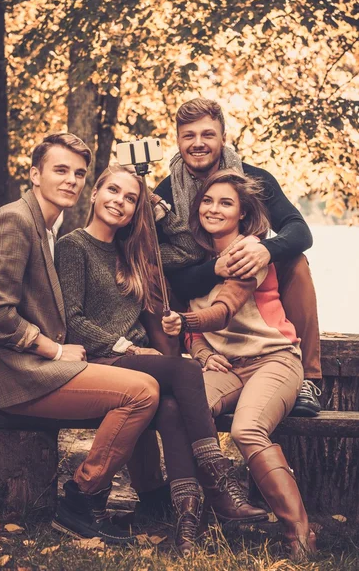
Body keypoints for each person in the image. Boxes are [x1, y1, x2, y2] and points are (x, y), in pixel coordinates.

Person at [54, 163, 268, 556]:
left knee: (170, 407)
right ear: (96, 192)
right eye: (113, 191)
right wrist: (127, 348)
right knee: (186, 368)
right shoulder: (73, 246)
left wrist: (161, 209)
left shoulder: (133, 252)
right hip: (102, 360)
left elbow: (188, 248)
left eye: (131, 199)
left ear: (138, 210)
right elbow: (73, 320)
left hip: (135, 361)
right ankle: (218, 479)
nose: (120, 202)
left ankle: (185, 519)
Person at [0, 133, 161, 545]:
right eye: (60, 170)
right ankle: (81, 500)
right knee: (142, 392)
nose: (71, 180)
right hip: (13, 375)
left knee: (149, 383)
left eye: (78, 173)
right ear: (35, 174)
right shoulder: (13, 221)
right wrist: (55, 349)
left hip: (39, 367)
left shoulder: (48, 227)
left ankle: (132, 498)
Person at [162, 170, 317, 561]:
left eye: (225, 202)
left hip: (273, 360)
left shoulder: (250, 251)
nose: (214, 208)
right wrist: (198, 351)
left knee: (248, 429)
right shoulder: (190, 259)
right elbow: (190, 322)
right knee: (175, 408)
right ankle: (195, 519)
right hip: (223, 368)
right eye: (208, 201)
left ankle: (298, 532)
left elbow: (220, 311)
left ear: (243, 213)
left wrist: (186, 323)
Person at [155, 97, 321, 415]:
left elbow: (300, 231)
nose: (198, 143)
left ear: (223, 137)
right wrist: (216, 267)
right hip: (199, 291)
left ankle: (309, 379)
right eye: (189, 135)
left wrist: (265, 249)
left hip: (253, 281)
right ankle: (182, 366)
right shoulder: (165, 196)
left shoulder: (253, 179)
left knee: (296, 261)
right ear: (177, 140)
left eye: (208, 134)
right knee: (155, 276)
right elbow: (172, 278)